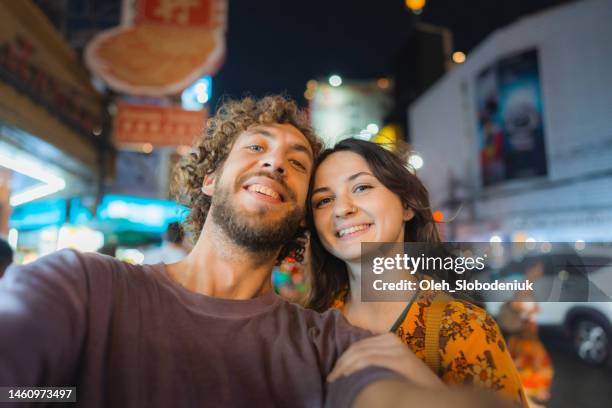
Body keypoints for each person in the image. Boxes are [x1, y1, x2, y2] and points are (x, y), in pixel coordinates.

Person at [0, 96, 506, 408]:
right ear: (210, 178)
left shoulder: (326, 341)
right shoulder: (83, 286)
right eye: (256, 147)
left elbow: (378, 390)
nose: (274, 164)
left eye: (295, 161)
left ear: (300, 214)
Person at [307, 138, 529, 406]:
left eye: (362, 187)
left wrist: (431, 389)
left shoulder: (467, 329)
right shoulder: (310, 324)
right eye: (324, 200)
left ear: (407, 206)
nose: (342, 209)